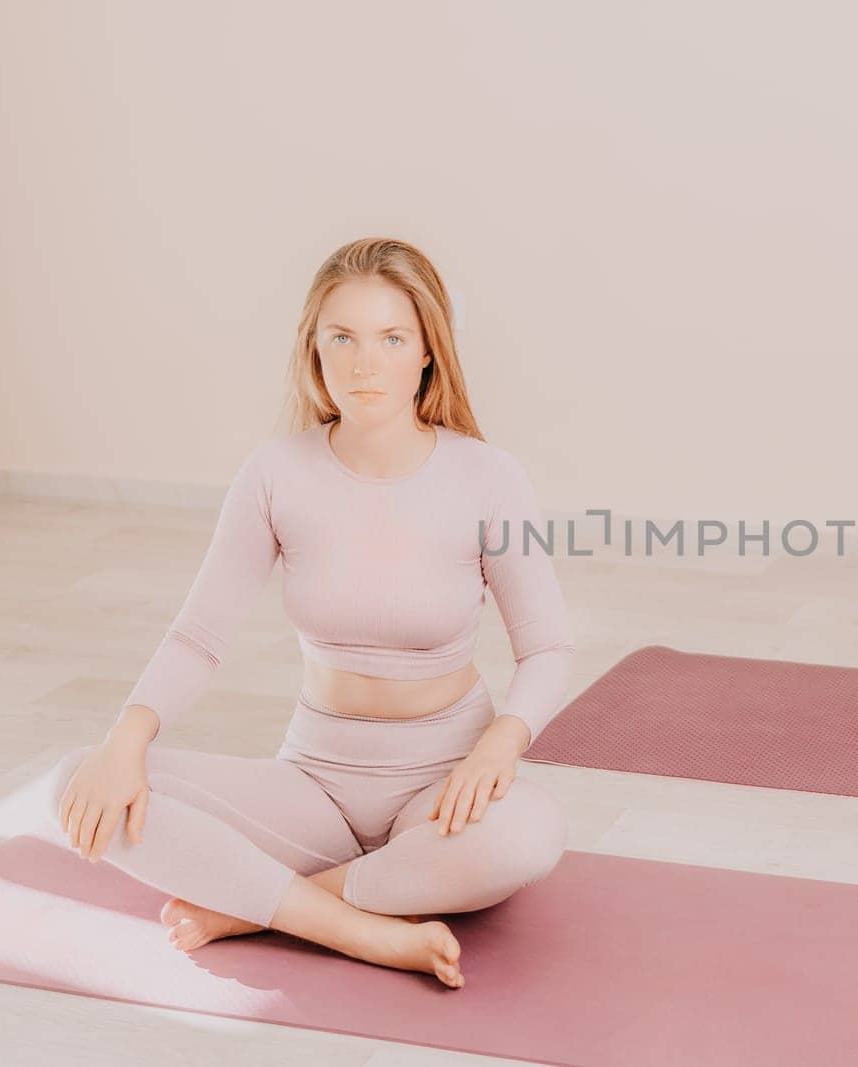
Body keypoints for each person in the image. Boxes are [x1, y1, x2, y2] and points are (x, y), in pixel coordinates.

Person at [44, 238, 576, 988]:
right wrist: (124, 741)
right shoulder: (274, 474)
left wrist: (499, 746)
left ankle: (258, 908)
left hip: (442, 779)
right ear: (314, 348)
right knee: (80, 782)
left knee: (530, 833)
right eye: (343, 338)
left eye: (392, 338)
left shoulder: (487, 476)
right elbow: (199, 636)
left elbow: (548, 645)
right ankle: (364, 929)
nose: (365, 363)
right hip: (314, 784)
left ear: (428, 351)